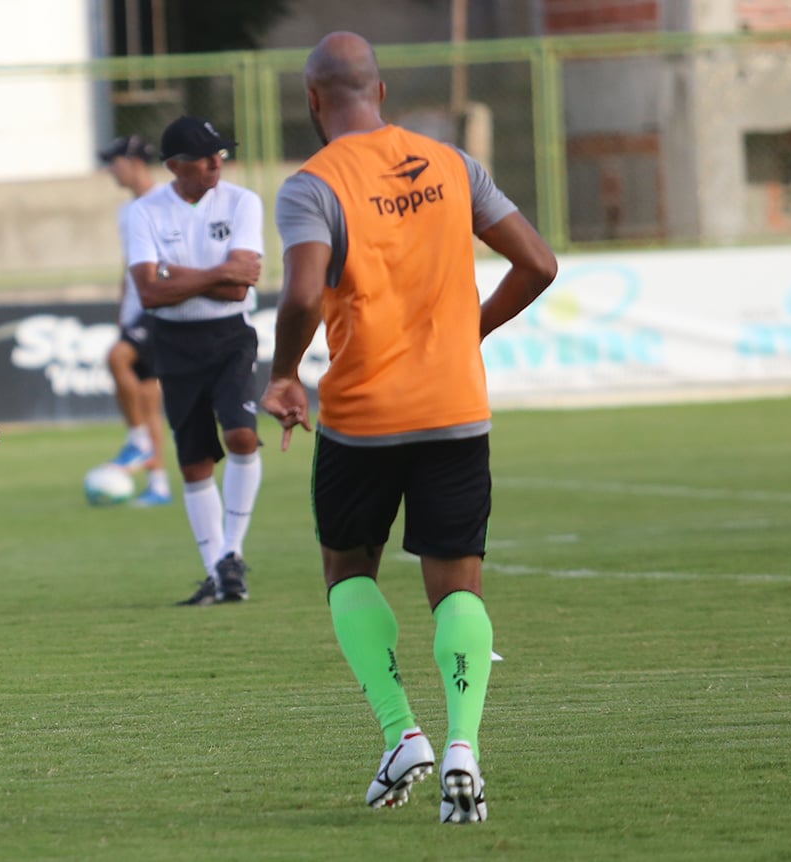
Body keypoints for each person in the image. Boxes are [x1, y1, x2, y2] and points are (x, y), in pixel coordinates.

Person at [260, 33, 558, 823]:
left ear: (313, 100)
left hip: (362, 416)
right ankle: (463, 746)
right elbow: (538, 263)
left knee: (347, 569)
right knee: (456, 584)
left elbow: (300, 294)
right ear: (381, 92)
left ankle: (402, 732)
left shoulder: (312, 185)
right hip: (454, 409)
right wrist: (469, 333)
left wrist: (284, 373)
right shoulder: (452, 164)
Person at [124, 115, 266, 605]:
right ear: (174, 166)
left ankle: (232, 553)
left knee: (242, 435)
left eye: (219, 154)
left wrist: (176, 274)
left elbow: (240, 288)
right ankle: (217, 572)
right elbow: (148, 292)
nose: (215, 163)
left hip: (231, 335)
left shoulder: (243, 202)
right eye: (204, 157)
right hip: (174, 340)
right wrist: (218, 272)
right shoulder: (144, 212)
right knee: (195, 461)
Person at [97, 134, 171, 506]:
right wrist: (123, 311)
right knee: (146, 396)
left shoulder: (165, 202)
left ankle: (138, 442)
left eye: (114, 163)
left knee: (117, 358)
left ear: (133, 161)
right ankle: (159, 484)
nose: (111, 171)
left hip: (157, 308)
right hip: (135, 310)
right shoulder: (126, 212)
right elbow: (129, 265)